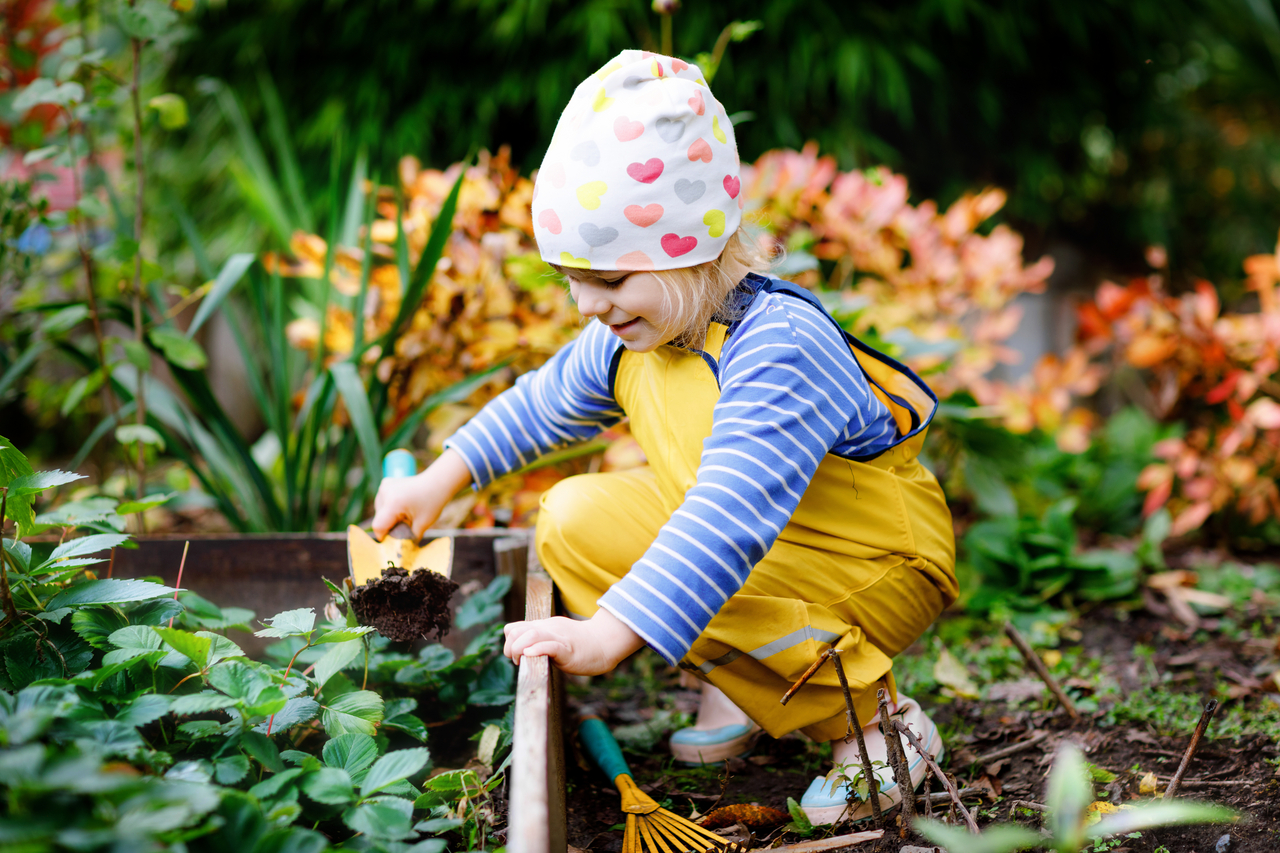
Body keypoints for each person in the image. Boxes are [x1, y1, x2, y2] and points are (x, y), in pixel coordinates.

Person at [372, 49, 957, 824]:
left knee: (697, 570)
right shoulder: (641, 330)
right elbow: (540, 403)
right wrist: (436, 481)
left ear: (694, 249)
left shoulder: (774, 342)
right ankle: (749, 679)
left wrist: (609, 634)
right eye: (571, 278)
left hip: (874, 560)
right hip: (774, 545)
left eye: (609, 279)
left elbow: (726, 517)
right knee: (572, 520)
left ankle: (878, 730)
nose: (586, 303)